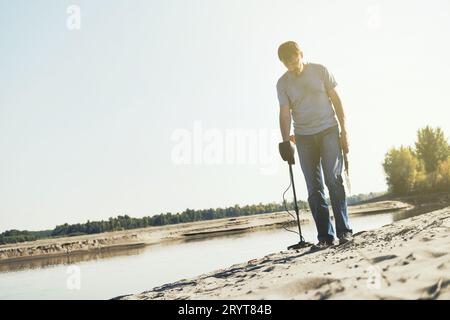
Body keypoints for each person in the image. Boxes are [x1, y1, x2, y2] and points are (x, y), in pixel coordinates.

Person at [276, 41, 353, 250]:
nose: (292, 67)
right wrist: (284, 141)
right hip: (304, 138)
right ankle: (325, 237)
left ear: (301, 54)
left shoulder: (320, 71)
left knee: (333, 179)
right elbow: (285, 113)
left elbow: (337, 101)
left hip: (329, 130)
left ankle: (344, 231)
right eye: (287, 64)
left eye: (294, 61)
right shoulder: (282, 83)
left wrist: (344, 130)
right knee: (314, 188)